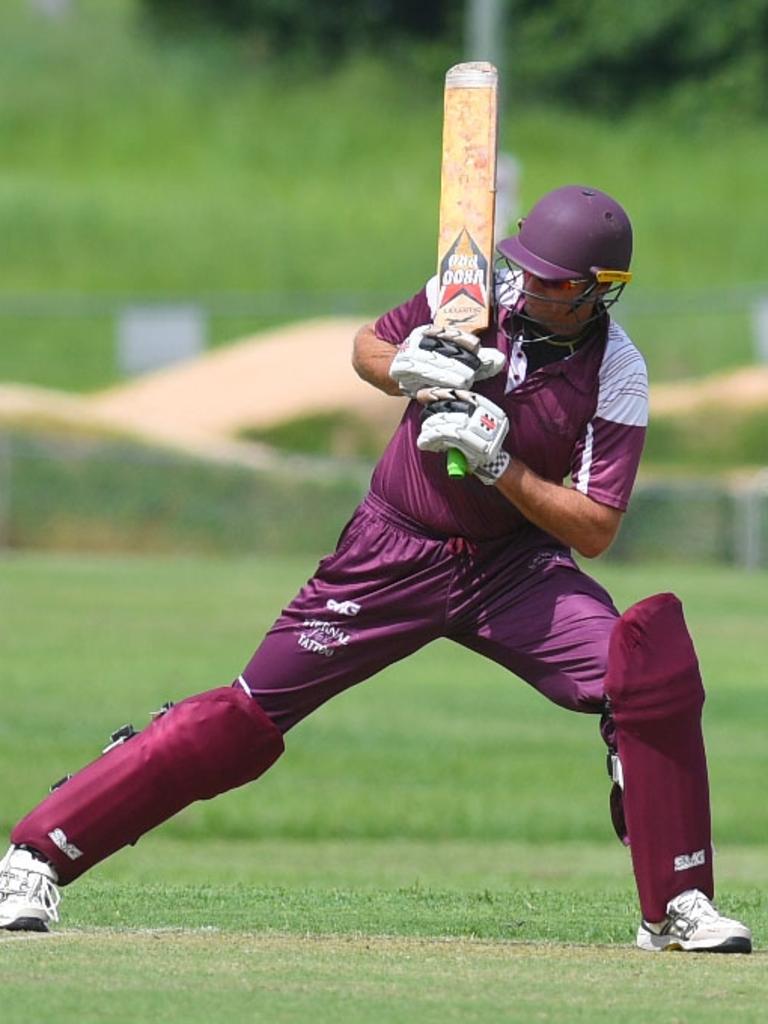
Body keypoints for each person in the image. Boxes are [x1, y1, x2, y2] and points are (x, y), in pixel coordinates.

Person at [0, 185, 752, 953]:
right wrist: (404, 366)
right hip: (390, 551)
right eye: (525, 268)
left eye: (555, 282)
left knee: (647, 678)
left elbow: (595, 528)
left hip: (516, 568)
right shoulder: (472, 293)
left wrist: (502, 466)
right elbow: (367, 346)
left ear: (601, 294)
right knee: (242, 722)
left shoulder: (618, 372)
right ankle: (35, 857)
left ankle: (676, 903)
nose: (529, 286)